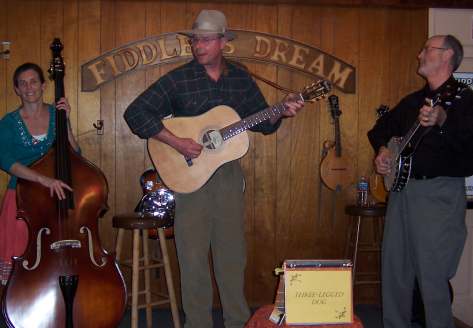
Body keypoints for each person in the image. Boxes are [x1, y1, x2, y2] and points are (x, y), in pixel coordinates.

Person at [124, 9, 304, 328]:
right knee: (192, 258)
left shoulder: (240, 78)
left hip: (228, 176)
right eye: (195, 40)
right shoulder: (179, 79)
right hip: (189, 177)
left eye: (206, 40)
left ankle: (237, 322)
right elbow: (136, 113)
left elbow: (262, 120)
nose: (198, 46)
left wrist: (281, 112)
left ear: (223, 42)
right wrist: (177, 142)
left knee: (232, 257)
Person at [368, 34, 473, 328]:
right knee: (395, 272)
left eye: (427, 49)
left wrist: (443, 120)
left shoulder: (465, 100)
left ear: (447, 56)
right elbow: (379, 131)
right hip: (401, 193)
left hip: (438, 195)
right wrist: (383, 151)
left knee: (432, 275)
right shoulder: (413, 101)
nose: (420, 54)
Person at [0, 62, 79, 285]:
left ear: (43, 85)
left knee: (52, 259)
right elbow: (5, 160)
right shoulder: (8, 123)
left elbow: (75, 153)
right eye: (22, 84)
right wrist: (43, 179)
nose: (29, 87)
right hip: (21, 198)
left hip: (56, 199)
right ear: (17, 89)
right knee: (20, 262)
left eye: (33, 81)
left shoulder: (57, 115)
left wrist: (67, 121)